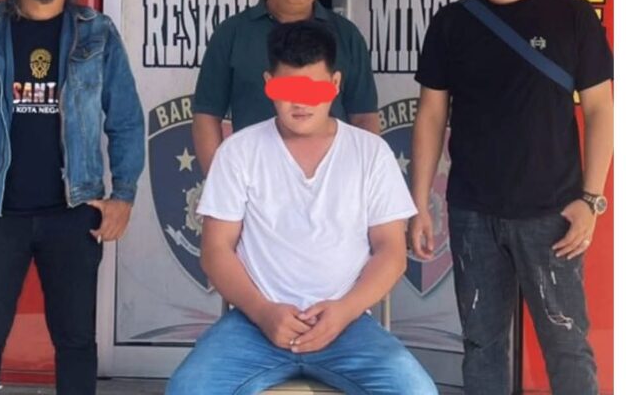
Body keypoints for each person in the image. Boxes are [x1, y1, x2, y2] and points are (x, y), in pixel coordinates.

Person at [166, 20, 437, 395]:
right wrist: (264, 313)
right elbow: (215, 251)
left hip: (347, 325)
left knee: (416, 391)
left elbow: (391, 251)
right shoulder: (239, 152)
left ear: (336, 84)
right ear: (268, 83)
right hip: (253, 324)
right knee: (187, 389)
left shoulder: (371, 153)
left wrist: (343, 312)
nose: (301, 102)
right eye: (287, 89)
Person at [0, 0, 145, 394]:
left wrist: (123, 195)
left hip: (74, 214)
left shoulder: (97, 32)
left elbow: (126, 119)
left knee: (76, 341)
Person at [409, 0, 613, 393]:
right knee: (481, 346)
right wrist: (419, 204)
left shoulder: (572, 14)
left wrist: (591, 199)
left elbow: (600, 108)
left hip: (553, 214)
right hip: (472, 212)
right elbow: (431, 113)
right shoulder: (452, 22)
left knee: (567, 344)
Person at [192, 0, 380, 174]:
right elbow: (207, 116)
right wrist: (222, 183)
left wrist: (358, 180)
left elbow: (363, 117)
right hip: (253, 180)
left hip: (333, 182)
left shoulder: (347, 34)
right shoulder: (232, 33)